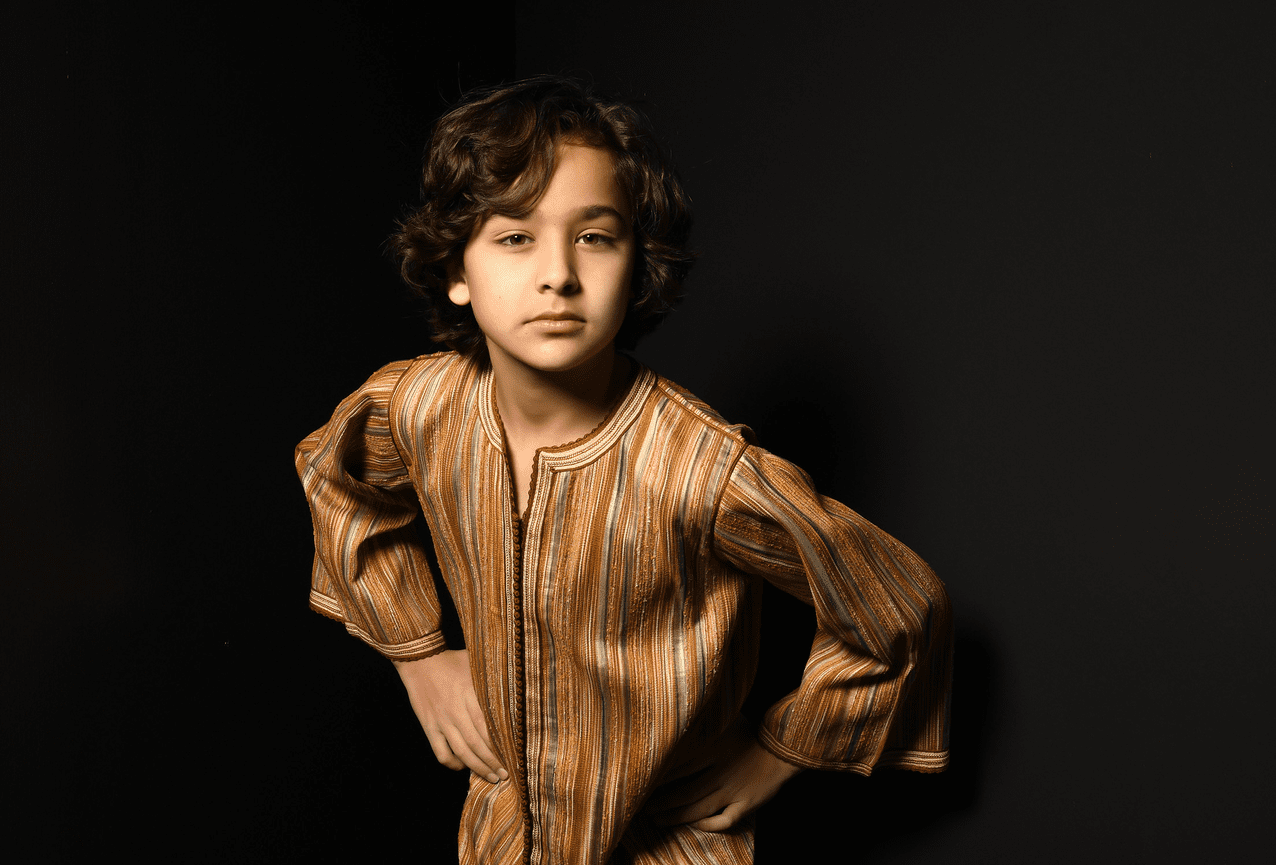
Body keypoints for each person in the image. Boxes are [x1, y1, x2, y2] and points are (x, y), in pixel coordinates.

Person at [295, 75, 952, 865]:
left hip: (665, 843)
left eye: (594, 236)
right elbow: (337, 477)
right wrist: (419, 656)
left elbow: (896, 604)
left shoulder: (698, 467)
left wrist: (782, 748)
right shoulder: (421, 407)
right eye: (515, 237)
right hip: (502, 837)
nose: (558, 274)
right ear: (456, 272)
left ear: (636, 262)